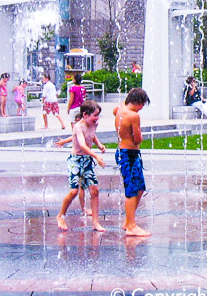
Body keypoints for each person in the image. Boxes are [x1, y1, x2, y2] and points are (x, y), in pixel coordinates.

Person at [56, 100, 106, 232]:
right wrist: (96, 156)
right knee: (74, 191)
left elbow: (92, 135)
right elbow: (83, 145)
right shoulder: (78, 127)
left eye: (98, 116)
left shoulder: (94, 123)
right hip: (76, 161)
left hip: (87, 160)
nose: (97, 119)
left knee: (94, 190)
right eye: (95, 115)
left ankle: (95, 222)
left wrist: (99, 145)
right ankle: (61, 216)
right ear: (85, 114)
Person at [113, 88, 151, 237]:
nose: (142, 108)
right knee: (131, 190)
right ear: (138, 102)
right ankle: (131, 226)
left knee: (140, 188)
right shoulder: (133, 116)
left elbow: (114, 110)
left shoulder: (119, 108)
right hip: (128, 154)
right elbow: (137, 138)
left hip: (125, 153)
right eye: (142, 105)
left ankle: (128, 220)